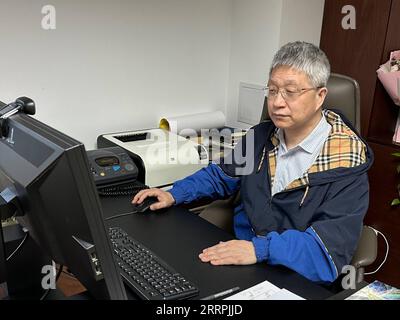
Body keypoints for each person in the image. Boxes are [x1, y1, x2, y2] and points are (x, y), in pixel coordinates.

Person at [132, 41, 373, 283]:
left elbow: (323, 251)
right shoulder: (260, 137)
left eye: (290, 92)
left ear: (320, 96)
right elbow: (221, 176)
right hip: (244, 263)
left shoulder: (347, 165)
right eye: (272, 90)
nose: (277, 102)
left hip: (295, 277)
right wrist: (175, 193)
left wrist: (259, 249)